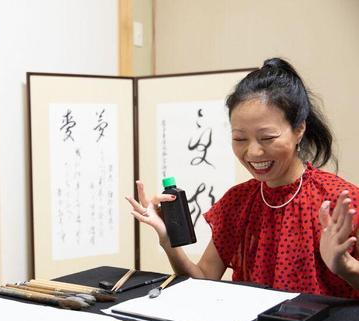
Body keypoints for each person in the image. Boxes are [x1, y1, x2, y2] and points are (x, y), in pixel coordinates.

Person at [127, 58, 359, 298]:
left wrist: (345, 267)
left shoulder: (341, 200)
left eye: (267, 137)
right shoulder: (237, 201)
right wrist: (168, 238)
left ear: (299, 129)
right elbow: (204, 279)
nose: (253, 152)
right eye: (240, 139)